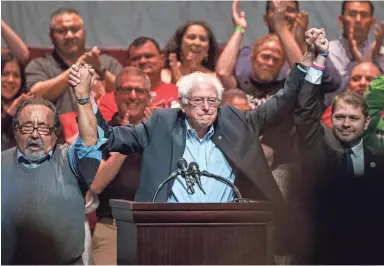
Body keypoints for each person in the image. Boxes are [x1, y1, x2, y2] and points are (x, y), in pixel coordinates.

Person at [69, 28, 323, 258]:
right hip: (167, 234)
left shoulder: (234, 121)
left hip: (228, 234)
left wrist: (307, 62)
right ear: (184, 103)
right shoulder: (161, 124)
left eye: (212, 101)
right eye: (198, 101)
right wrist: (85, 100)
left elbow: (283, 102)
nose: (206, 108)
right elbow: (109, 138)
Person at [293, 32, 384, 264]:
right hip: (321, 250)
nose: (345, 124)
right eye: (340, 117)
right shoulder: (316, 149)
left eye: (353, 118)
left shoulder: (378, 161)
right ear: (330, 119)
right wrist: (320, 58)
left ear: (367, 123)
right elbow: (305, 107)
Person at [1, 64, 106, 264]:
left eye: (42, 127)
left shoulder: (73, 161)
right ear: (15, 131)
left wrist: (83, 97)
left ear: (55, 133)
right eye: (26, 127)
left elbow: (91, 140)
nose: (34, 134)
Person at [88, 66, 153, 265]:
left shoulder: (160, 133)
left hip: (154, 228)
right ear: (115, 95)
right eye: (126, 90)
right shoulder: (99, 133)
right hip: (112, 228)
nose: (132, 96)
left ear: (148, 97)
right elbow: (96, 184)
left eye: (139, 90)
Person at [25, 7, 122, 115]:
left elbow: (126, 92)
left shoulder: (107, 62)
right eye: (61, 31)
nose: (69, 36)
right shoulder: (39, 65)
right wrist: (76, 68)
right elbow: (34, 96)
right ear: (51, 35)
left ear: (84, 32)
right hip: (57, 130)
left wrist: (101, 70)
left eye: (75, 29)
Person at [98, 36, 178, 121]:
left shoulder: (179, 94)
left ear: (162, 60)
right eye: (136, 58)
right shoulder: (109, 100)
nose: (142, 61)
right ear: (128, 63)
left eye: (148, 56)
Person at [323, 1, 382, 105]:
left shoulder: (381, 54)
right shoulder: (325, 52)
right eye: (352, 14)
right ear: (341, 21)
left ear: (372, 22)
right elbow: (330, 96)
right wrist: (360, 62)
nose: (358, 20)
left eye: (364, 15)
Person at [321, 61, 382, 127]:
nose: (362, 83)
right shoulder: (333, 112)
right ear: (349, 85)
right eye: (356, 79)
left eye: (370, 79)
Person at [2, 52, 34, 151]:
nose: (11, 80)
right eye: (4, 74)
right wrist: (9, 114)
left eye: (16, 75)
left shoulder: (28, 108)